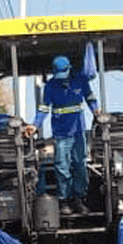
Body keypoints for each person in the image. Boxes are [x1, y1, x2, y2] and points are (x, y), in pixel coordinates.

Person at [34, 54, 98, 216]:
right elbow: (44, 108)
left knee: (79, 165)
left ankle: (79, 199)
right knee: (62, 167)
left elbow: (90, 98)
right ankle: (64, 201)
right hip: (61, 133)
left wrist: (96, 111)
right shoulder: (50, 86)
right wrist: (35, 125)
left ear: (70, 70)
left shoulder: (80, 81)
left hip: (78, 131)